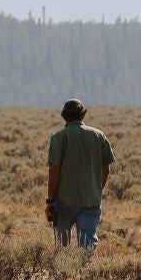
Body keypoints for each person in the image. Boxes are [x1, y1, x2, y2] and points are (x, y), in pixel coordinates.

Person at [46, 98, 114, 252]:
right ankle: (87, 274)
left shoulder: (59, 137)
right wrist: (96, 189)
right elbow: (106, 169)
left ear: (64, 116)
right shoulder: (99, 136)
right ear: (83, 115)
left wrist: (50, 200)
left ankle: (62, 274)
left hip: (64, 201)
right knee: (88, 247)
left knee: (61, 248)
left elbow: (54, 171)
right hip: (91, 201)